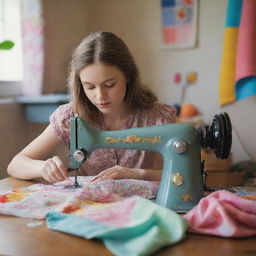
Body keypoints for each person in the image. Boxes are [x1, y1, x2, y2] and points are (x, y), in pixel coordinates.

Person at [7, 31, 176, 184]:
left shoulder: (157, 117)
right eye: (90, 87)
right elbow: (16, 164)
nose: (100, 96)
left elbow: (182, 173)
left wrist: (137, 174)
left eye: (109, 85)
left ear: (128, 76)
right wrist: (43, 167)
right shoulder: (69, 116)